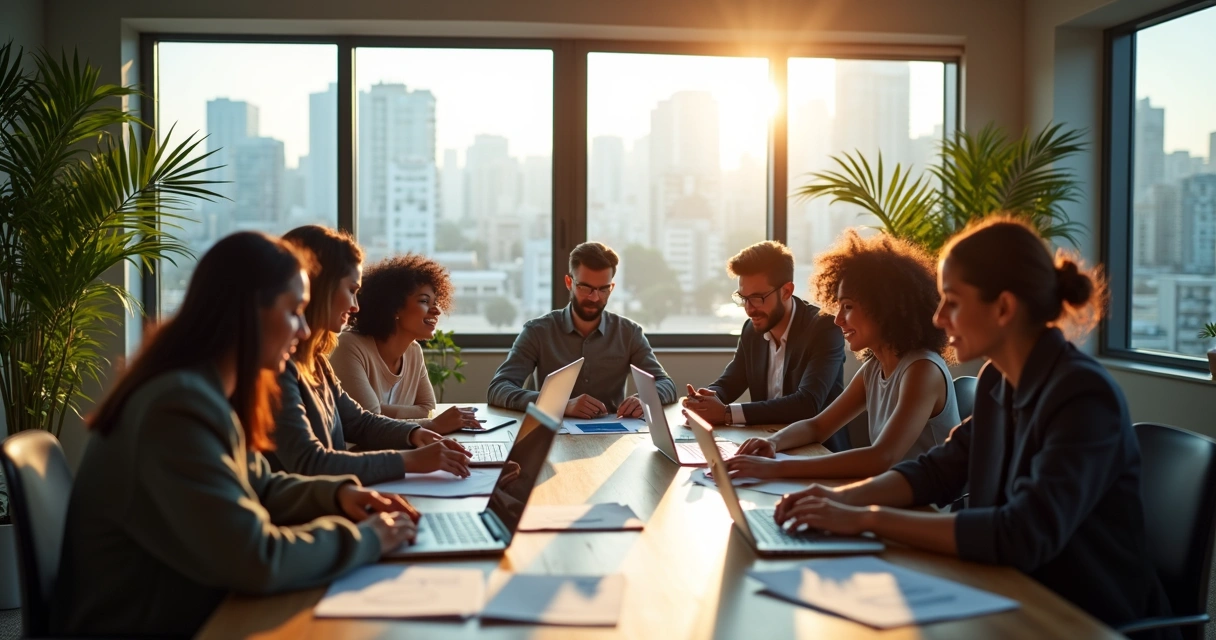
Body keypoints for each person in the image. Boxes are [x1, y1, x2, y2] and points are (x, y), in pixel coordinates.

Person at [772, 217, 1173, 631]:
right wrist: (838, 499)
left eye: (953, 301)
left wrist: (868, 517)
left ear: (1003, 308)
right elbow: (936, 471)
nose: (940, 317)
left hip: (1083, 617)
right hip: (1007, 591)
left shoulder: (1085, 395)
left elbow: (1022, 534)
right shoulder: (999, 381)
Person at [52, 232, 420, 637]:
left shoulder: (200, 391)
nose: (302, 330)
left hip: (187, 604)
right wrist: (366, 539)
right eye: (294, 311)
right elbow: (257, 559)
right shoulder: (176, 408)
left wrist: (337, 495)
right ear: (250, 313)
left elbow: (258, 482)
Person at [726, 230, 959, 480]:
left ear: (885, 308)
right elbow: (817, 426)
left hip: (924, 512)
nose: (837, 319)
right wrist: (773, 443)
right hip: (887, 498)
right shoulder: (874, 368)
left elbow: (882, 457)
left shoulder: (922, 370)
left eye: (848, 307)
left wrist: (777, 468)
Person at [267, 226, 472, 486]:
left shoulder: (316, 361)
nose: (355, 306)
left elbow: (359, 422)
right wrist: (411, 461)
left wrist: (415, 434)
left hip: (337, 495)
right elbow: (310, 463)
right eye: (351, 290)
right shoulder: (278, 367)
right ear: (321, 288)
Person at [682, 240, 847, 450]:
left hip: (817, 452)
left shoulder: (824, 328)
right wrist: (704, 401)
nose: (749, 309)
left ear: (786, 291)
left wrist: (726, 414)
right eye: (743, 298)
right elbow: (730, 381)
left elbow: (808, 403)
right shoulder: (752, 330)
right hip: (764, 447)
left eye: (758, 298)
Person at [488, 241, 676, 418]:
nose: (594, 298)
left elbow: (666, 384)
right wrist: (559, 404)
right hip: (550, 437)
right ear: (569, 283)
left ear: (612, 288)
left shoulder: (629, 333)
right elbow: (498, 388)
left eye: (603, 289)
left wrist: (646, 399)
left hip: (610, 439)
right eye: (586, 288)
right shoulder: (537, 332)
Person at [330, 253, 454, 420]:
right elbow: (370, 421)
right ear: (394, 307)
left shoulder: (413, 352)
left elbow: (428, 409)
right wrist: (382, 413)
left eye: (436, 302)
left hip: (406, 446)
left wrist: (383, 411)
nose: (436, 311)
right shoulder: (349, 346)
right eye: (424, 301)